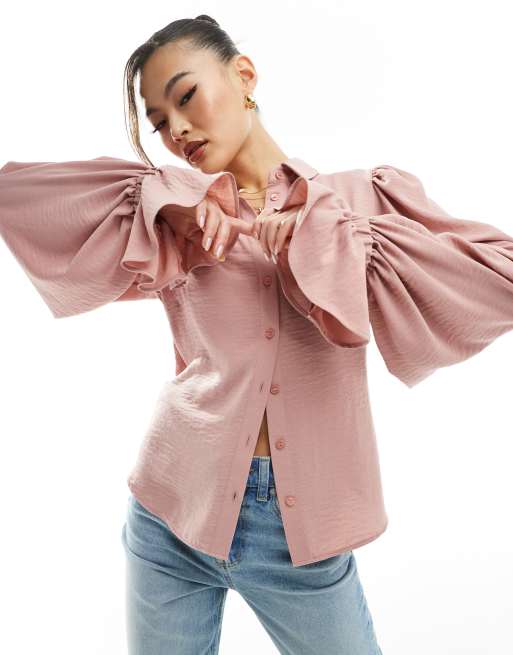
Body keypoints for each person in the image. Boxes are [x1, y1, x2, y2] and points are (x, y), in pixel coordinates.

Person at [2, 14, 513, 655]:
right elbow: (16, 198)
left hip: (302, 538)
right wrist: (162, 195)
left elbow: (501, 275)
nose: (176, 129)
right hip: (171, 512)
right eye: (159, 121)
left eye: (186, 96)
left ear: (243, 76)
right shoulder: (173, 217)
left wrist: (332, 240)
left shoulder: (361, 200)